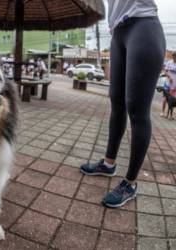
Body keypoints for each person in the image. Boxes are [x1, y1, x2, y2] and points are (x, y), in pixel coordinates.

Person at [80, 0, 166, 208]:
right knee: (116, 103)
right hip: (118, 33)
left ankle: (130, 183)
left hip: (144, 26)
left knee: (137, 110)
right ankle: (109, 164)